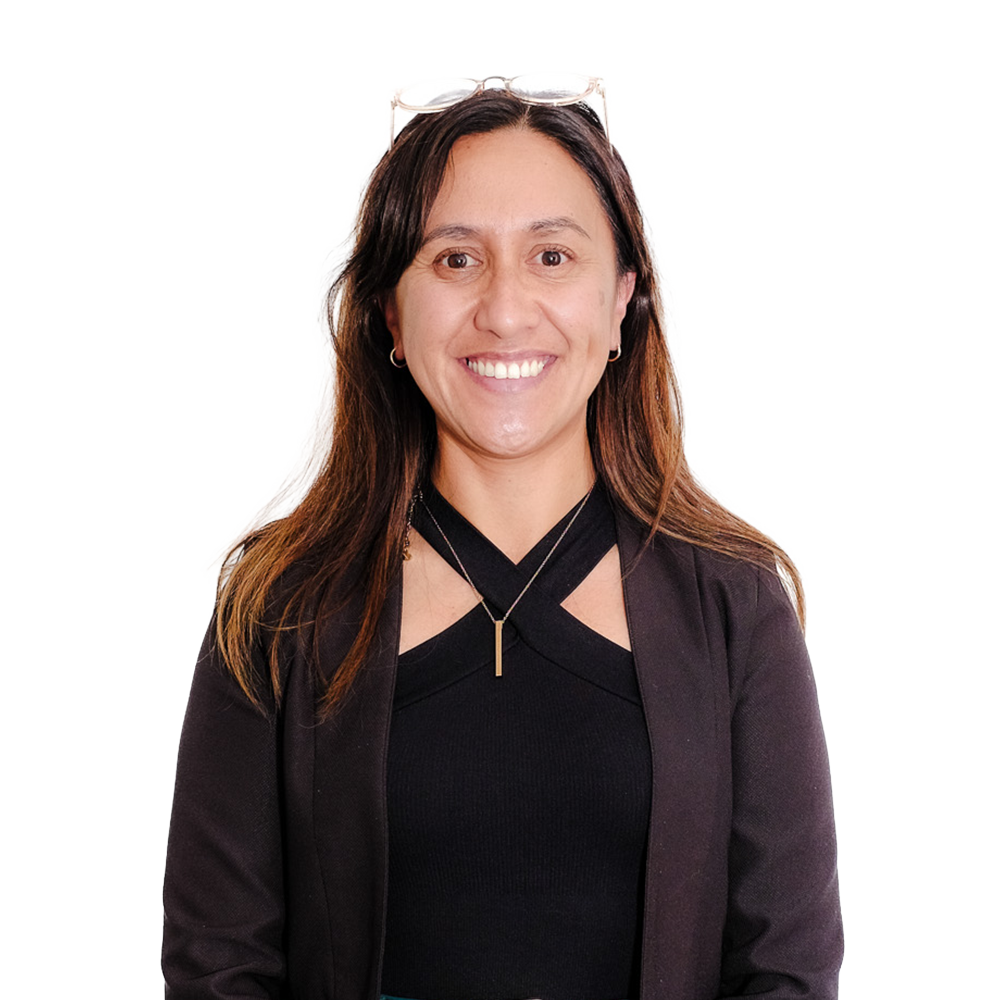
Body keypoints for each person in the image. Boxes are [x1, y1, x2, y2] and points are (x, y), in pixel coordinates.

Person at [163, 73, 843, 1000]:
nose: (506, 309)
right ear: (390, 315)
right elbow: (216, 969)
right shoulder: (278, 606)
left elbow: (784, 970)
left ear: (623, 304)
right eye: (454, 260)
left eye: (553, 257)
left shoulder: (734, 602)